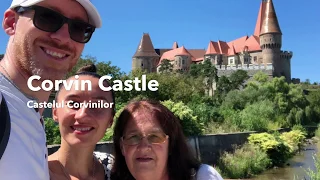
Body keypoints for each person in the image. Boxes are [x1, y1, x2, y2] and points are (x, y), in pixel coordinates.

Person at [0, 0, 102, 179]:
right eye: (47, 17)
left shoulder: (30, 116)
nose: (63, 37)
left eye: (78, 28)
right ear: (11, 23)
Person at [111, 99, 224, 180]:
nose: (144, 147)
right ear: (122, 147)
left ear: (170, 145)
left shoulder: (203, 176)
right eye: (134, 137)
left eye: (154, 137)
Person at [48, 64, 115, 180]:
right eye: (74, 104)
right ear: (55, 112)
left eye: (97, 105)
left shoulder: (114, 168)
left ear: (110, 119)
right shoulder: (30, 173)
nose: (82, 115)